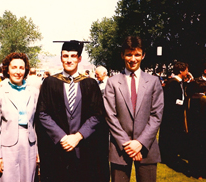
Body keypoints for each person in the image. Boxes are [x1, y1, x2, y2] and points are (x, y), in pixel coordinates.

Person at [36, 40, 110, 182]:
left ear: (79, 59)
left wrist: (78, 136)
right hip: (58, 148)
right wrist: (62, 137)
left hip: (84, 148)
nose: (69, 60)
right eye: (65, 56)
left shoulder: (90, 83)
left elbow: (97, 114)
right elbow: (42, 113)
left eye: (73, 56)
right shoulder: (50, 83)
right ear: (61, 58)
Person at [103, 36, 164, 182]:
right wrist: (127, 144)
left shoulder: (153, 82)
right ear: (122, 55)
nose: (133, 59)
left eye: (137, 54)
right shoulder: (112, 82)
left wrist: (140, 143)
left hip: (146, 148)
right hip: (120, 149)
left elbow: (156, 115)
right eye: (129, 54)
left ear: (143, 55)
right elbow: (110, 115)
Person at [0, 52, 39, 182]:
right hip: (6, 146)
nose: (18, 71)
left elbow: (36, 124)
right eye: (14, 67)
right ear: (7, 69)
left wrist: (38, 151)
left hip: (29, 145)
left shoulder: (34, 93)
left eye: (21, 68)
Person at [159, 61, 193, 171]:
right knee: (170, 137)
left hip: (176, 115)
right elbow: (172, 101)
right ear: (181, 71)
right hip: (171, 116)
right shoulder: (173, 83)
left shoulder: (179, 83)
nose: (188, 72)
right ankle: (168, 156)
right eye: (186, 70)